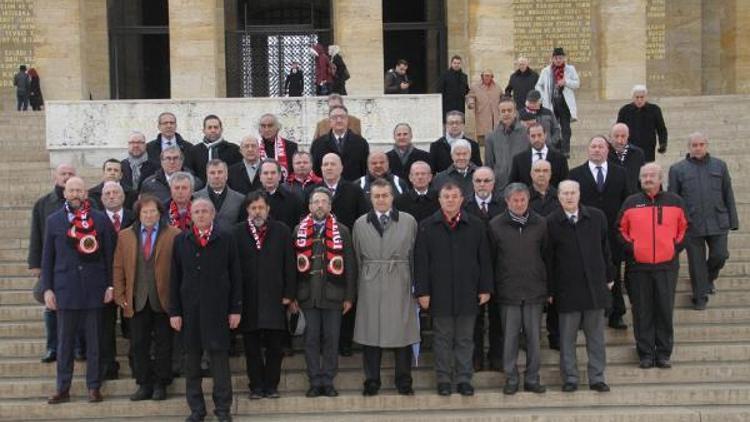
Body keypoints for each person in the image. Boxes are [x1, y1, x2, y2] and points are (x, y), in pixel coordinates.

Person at [415, 182, 493, 396]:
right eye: (446, 196)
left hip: (468, 292)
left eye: (454, 196)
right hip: (439, 294)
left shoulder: (476, 225)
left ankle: (463, 379)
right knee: (442, 339)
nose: (450, 200)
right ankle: (443, 379)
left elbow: (484, 259)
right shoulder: (427, 226)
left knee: (466, 339)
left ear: (461, 199)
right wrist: (422, 292)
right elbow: (421, 262)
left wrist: (485, 287)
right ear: (439, 200)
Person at [43, 177, 116, 404]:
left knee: (94, 343)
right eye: (71, 190)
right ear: (65, 193)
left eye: (79, 190)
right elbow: (47, 259)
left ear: (86, 193)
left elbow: (110, 256)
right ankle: (62, 388)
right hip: (66, 291)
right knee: (64, 344)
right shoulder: (53, 221)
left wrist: (110, 285)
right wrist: (47, 289)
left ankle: (94, 387)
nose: (75, 194)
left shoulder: (100, 219)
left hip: (94, 290)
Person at [170, 198, 242, 422]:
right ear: (191, 216)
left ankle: (223, 410)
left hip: (218, 311)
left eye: (205, 211)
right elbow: (174, 278)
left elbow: (236, 276)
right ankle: (197, 410)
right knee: (192, 366)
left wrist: (235, 309)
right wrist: (175, 312)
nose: (200, 215)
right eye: (197, 211)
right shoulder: (181, 240)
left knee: (220, 365)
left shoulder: (226, 239)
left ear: (213, 214)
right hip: (190, 313)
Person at [353, 179, 419, 396]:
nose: (381, 199)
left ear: (392, 197)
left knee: (402, 332)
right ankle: (372, 380)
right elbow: (356, 256)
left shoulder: (408, 222)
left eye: (385, 195)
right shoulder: (360, 223)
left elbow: (414, 256)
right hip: (370, 283)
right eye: (376, 196)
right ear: (370, 198)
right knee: (371, 332)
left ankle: (404, 380)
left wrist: (415, 287)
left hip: (400, 281)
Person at [618, 163, 688, 369]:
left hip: (666, 266)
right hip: (638, 267)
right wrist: (634, 249)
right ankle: (646, 353)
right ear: (639, 179)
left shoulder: (675, 201)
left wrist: (673, 248)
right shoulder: (631, 202)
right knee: (642, 311)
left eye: (652, 175)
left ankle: (664, 353)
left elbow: (686, 228)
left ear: (660, 179)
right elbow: (620, 229)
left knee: (664, 310)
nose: (648, 179)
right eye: (644, 176)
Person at [112, 195, 180, 401]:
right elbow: (118, 266)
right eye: (145, 212)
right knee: (138, 344)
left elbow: (179, 268)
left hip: (163, 299)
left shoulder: (174, 234)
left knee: (164, 344)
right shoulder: (125, 236)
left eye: (153, 211)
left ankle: (161, 383)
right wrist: (120, 294)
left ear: (160, 213)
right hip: (137, 299)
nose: (149, 215)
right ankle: (144, 383)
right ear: (138, 214)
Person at [547, 180, 613, 393]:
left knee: (595, 338)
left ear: (579, 194)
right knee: (567, 339)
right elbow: (548, 260)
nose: (569, 197)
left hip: (594, 288)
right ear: (558, 197)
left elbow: (606, 249)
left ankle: (597, 377)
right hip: (567, 290)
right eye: (564, 193)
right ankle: (570, 378)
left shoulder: (596, 217)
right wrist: (550, 290)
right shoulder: (551, 222)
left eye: (572, 192)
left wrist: (609, 277)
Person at [291, 188, 357, 398]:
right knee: (310, 339)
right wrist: (292, 296)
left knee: (331, 338)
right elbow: (291, 266)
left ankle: (328, 380)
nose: (319, 205)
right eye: (315, 202)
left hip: (333, 295)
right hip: (307, 295)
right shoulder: (298, 230)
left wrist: (349, 296)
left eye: (323, 202)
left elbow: (350, 266)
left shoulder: (343, 231)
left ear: (330, 206)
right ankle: (314, 380)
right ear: (309, 206)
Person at [234, 191, 296, 399]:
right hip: (248, 299)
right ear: (247, 211)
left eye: (261, 207)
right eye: (253, 208)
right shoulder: (238, 232)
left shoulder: (282, 231)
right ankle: (256, 386)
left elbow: (289, 264)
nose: (257, 212)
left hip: (275, 297)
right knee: (251, 348)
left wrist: (289, 293)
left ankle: (271, 385)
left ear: (268, 209)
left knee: (274, 347)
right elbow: (234, 269)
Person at [489, 183, 548, 394]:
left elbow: (546, 256)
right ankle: (511, 378)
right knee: (510, 338)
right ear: (507, 201)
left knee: (533, 338)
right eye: (515, 200)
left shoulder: (541, 224)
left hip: (534, 291)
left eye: (523, 199)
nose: (519, 203)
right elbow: (492, 259)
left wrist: (546, 287)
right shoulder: (496, 225)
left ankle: (532, 378)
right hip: (508, 291)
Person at [668, 132, 738, 309]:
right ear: (689, 147)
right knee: (696, 263)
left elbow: (728, 193)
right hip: (692, 223)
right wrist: (674, 226)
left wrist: (733, 219)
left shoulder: (720, 166)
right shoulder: (677, 169)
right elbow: (673, 200)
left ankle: (708, 279)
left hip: (718, 220)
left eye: (701, 144)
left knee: (720, 255)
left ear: (707, 145)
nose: (698, 148)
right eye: (694, 145)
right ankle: (699, 297)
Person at [569, 136, 631, 330]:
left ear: (608, 150)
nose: (597, 150)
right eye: (593, 146)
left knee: (613, 272)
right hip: (585, 232)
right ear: (588, 150)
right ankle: (584, 313)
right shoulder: (575, 174)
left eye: (601, 146)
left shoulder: (621, 173)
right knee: (584, 273)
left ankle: (616, 313)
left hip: (613, 233)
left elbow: (627, 202)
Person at [28, 164, 79, 364]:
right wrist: (35, 263)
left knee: (77, 307)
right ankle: (52, 347)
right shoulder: (43, 204)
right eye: (63, 174)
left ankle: (77, 346)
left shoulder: (84, 203)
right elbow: (36, 235)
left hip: (78, 265)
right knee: (51, 306)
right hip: (53, 265)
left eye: (70, 174)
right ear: (55, 177)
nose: (66, 177)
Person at [463, 167, 504, 372]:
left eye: (486, 181)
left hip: (499, 270)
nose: (482, 185)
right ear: (473, 183)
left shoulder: (503, 206)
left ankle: (497, 357)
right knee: (475, 319)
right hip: (472, 272)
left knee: (498, 317)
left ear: (493, 183)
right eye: (478, 181)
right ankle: (475, 358)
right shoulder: (465, 207)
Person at [99, 181, 135, 381]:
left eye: (115, 192)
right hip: (105, 281)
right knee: (106, 327)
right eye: (107, 193)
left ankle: (136, 365)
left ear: (123, 196)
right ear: (102, 197)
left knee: (132, 326)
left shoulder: (134, 216)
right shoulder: (93, 219)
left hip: (132, 280)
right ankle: (109, 366)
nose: (111, 196)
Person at [535, 47, 580, 157]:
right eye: (556, 58)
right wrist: (542, 97)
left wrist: (566, 82)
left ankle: (565, 150)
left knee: (566, 128)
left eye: (560, 58)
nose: (558, 60)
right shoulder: (546, 71)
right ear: (552, 59)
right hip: (551, 103)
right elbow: (538, 85)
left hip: (564, 103)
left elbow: (577, 83)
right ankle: (553, 149)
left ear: (564, 58)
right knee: (552, 127)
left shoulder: (570, 69)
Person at [305, 153, 368, 230]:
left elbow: (362, 219)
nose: (329, 167)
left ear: (341, 168)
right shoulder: (310, 191)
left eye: (333, 164)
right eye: (325, 164)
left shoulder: (355, 191)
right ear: (321, 168)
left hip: (347, 238)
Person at [311, 105, 370, 181]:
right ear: (330, 121)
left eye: (342, 117)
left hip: (353, 189)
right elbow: (315, 171)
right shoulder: (318, 144)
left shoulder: (361, 143)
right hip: (326, 190)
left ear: (347, 120)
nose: (339, 120)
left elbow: (364, 170)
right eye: (335, 117)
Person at [485, 96, 529, 189]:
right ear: (499, 113)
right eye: (503, 111)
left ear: (515, 112)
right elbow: (489, 164)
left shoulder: (527, 134)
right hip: (500, 186)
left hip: (522, 184)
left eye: (509, 110)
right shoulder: (491, 137)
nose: (506, 114)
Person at [509, 121, 569, 188]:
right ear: (528, 137)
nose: (536, 139)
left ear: (545, 135)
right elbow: (513, 186)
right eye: (533, 136)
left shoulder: (560, 159)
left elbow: (565, 184)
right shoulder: (519, 160)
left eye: (539, 135)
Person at [616, 85, 668, 162]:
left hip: (648, 149)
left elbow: (661, 129)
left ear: (646, 97)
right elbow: (618, 129)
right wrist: (618, 145)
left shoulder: (654, 110)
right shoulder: (625, 110)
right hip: (629, 148)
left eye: (642, 97)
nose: (639, 100)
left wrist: (663, 144)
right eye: (637, 97)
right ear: (633, 97)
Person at [188, 114, 242, 181]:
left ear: (221, 130)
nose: (213, 130)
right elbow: (190, 175)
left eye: (216, 127)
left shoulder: (234, 150)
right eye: (209, 127)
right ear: (204, 131)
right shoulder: (194, 151)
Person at [194, 159, 244, 229]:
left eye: (220, 172)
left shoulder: (240, 199)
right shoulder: (195, 198)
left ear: (226, 175)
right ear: (207, 175)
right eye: (212, 173)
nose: (216, 176)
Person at [259, 159, 304, 230]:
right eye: (265, 173)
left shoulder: (294, 200)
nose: (269, 177)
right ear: (260, 177)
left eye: (273, 173)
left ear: (280, 176)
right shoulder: (251, 200)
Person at [608, 123, 646, 193]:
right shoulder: (604, 154)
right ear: (610, 137)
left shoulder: (638, 154)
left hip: (633, 199)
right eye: (616, 136)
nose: (620, 140)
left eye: (623, 136)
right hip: (611, 199)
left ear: (628, 136)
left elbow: (642, 178)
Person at [466, 70, 503, 143]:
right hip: (482, 118)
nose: (487, 77)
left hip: (495, 119)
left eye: (489, 76)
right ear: (482, 76)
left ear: (492, 77)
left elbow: (502, 98)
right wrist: (470, 103)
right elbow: (470, 96)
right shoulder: (475, 87)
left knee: (496, 143)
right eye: (485, 75)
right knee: (482, 144)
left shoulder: (497, 87)